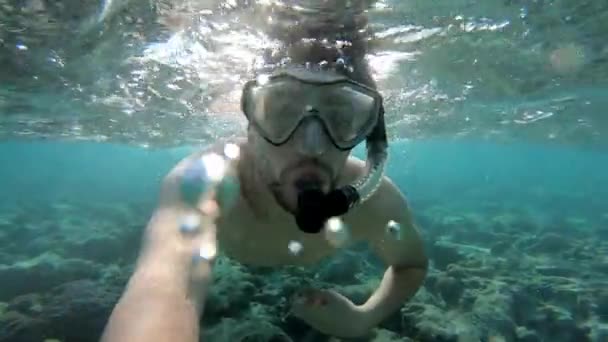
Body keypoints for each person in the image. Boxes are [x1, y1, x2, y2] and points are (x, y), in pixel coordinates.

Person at [101, 37, 428, 341]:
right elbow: (163, 289)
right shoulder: (207, 182)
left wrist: (362, 319)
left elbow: (411, 264)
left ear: (367, 134)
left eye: (341, 117)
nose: (311, 146)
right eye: (281, 113)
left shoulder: (377, 202)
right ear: (251, 126)